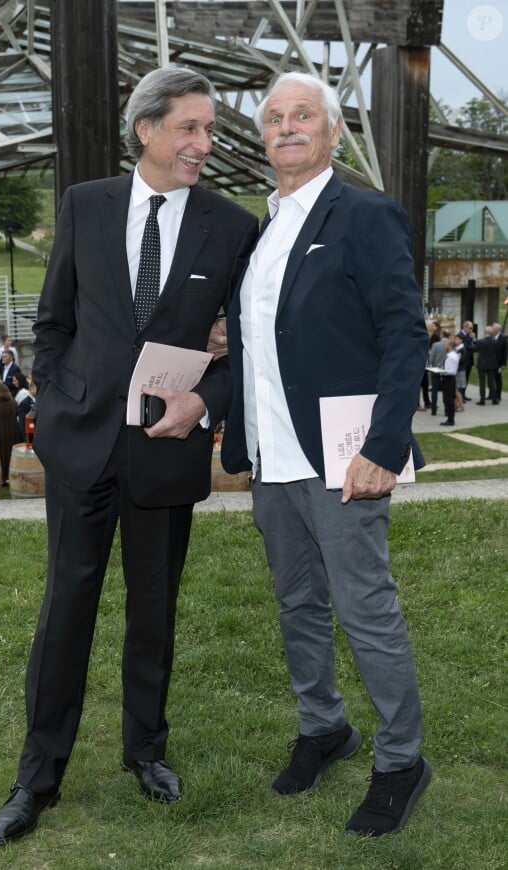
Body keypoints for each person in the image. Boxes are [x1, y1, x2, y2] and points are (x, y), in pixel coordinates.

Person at [0, 66, 258, 846]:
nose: (204, 144)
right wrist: (63, 394)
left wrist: (202, 400)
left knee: (154, 612)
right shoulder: (85, 205)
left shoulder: (230, 226)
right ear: (146, 129)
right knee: (64, 611)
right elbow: (53, 320)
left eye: (210, 130)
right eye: (191, 128)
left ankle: (146, 752)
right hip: (80, 450)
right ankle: (37, 775)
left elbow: (243, 350)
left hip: (166, 455)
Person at [221, 71, 431, 838]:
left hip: (343, 462)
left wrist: (383, 446)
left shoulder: (366, 216)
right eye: (273, 118)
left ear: (333, 131)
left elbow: (405, 335)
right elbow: (258, 344)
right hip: (273, 462)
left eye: (301, 114)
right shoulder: (263, 228)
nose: (285, 127)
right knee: (298, 607)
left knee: (364, 609)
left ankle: (401, 760)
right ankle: (324, 729)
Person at [0, 381, 20, 485]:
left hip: (1, 430)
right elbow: (17, 414)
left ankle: (3, 478)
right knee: (12, 453)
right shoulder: (14, 402)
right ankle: (13, 476)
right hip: (13, 429)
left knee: (2, 454)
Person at [474, 326, 499, 405]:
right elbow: (497, 351)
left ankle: (482, 400)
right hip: (492, 363)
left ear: (485, 332)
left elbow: (475, 350)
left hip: (482, 363)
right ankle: (494, 399)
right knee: (491, 382)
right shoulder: (495, 341)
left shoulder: (480, 341)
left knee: (482, 382)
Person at [440, 338, 459, 426]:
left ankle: (451, 419)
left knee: (449, 399)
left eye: (447, 344)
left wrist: (441, 371)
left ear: (450, 346)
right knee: (448, 398)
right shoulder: (452, 355)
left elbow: (451, 371)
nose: (445, 346)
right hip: (448, 378)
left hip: (449, 378)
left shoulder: (451, 356)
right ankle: (450, 418)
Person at [491, 323, 506, 401]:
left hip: (499, 363)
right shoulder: (491, 337)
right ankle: (491, 394)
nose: (492, 330)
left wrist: (503, 364)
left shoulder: (503, 338)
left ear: (498, 330)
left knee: (497, 379)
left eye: (493, 329)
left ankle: (498, 395)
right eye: (492, 329)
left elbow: (505, 352)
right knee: (491, 379)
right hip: (490, 362)